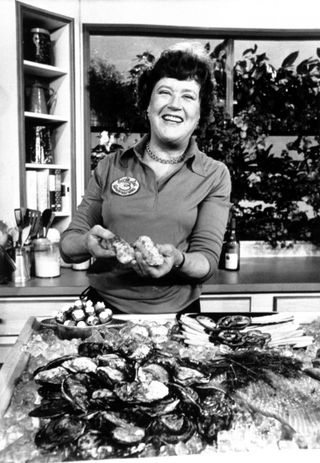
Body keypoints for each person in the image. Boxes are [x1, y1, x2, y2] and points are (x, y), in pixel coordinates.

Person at [60, 42, 231, 314]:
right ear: (147, 104)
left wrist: (177, 259)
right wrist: (86, 243)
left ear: (199, 114)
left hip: (178, 315)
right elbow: (68, 246)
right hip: (104, 313)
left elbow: (207, 261)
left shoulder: (214, 174)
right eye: (164, 92)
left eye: (188, 96)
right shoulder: (110, 166)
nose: (174, 104)